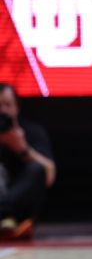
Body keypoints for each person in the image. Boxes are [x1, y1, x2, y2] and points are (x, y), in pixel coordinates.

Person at [0, 83, 56, 240]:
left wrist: (22, 149)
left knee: (37, 169)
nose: (3, 110)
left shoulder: (32, 131)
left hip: (20, 210)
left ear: (17, 107)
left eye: (7, 105)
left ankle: (6, 217)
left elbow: (49, 175)